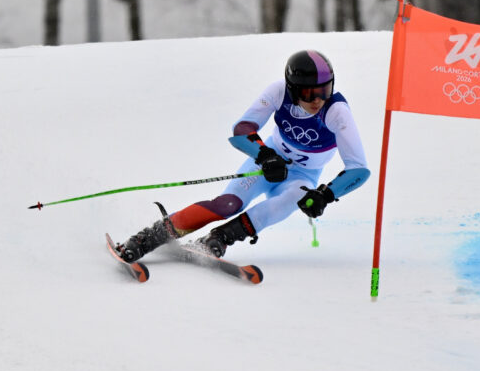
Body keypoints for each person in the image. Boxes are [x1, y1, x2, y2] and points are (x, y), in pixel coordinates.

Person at [117, 49, 371, 262]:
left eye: (324, 90)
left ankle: (219, 238)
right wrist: (265, 155)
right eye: (308, 93)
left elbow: (358, 169)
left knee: (295, 198)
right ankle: (146, 238)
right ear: (293, 89)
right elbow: (241, 130)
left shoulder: (337, 112)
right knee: (228, 205)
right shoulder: (278, 92)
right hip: (268, 164)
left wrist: (326, 195)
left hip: (303, 176)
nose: (317, 100)